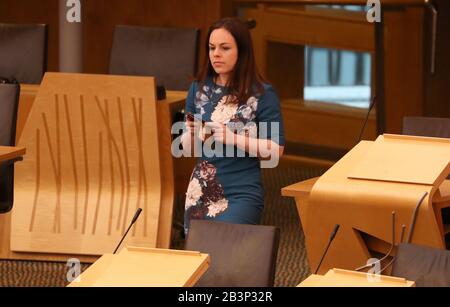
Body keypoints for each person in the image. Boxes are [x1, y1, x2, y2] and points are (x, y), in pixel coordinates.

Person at [181, 17, 285, 235]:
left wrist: (233, 138)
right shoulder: (197, 89)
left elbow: (276, 150)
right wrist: (189, 134)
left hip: (241, 192)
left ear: (242, 52)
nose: (215, 54)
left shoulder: (262, 94)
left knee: (227, 256)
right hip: (200, 190)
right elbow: (188, 149)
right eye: (211, 48)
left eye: (224, 48)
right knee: (200, 262)